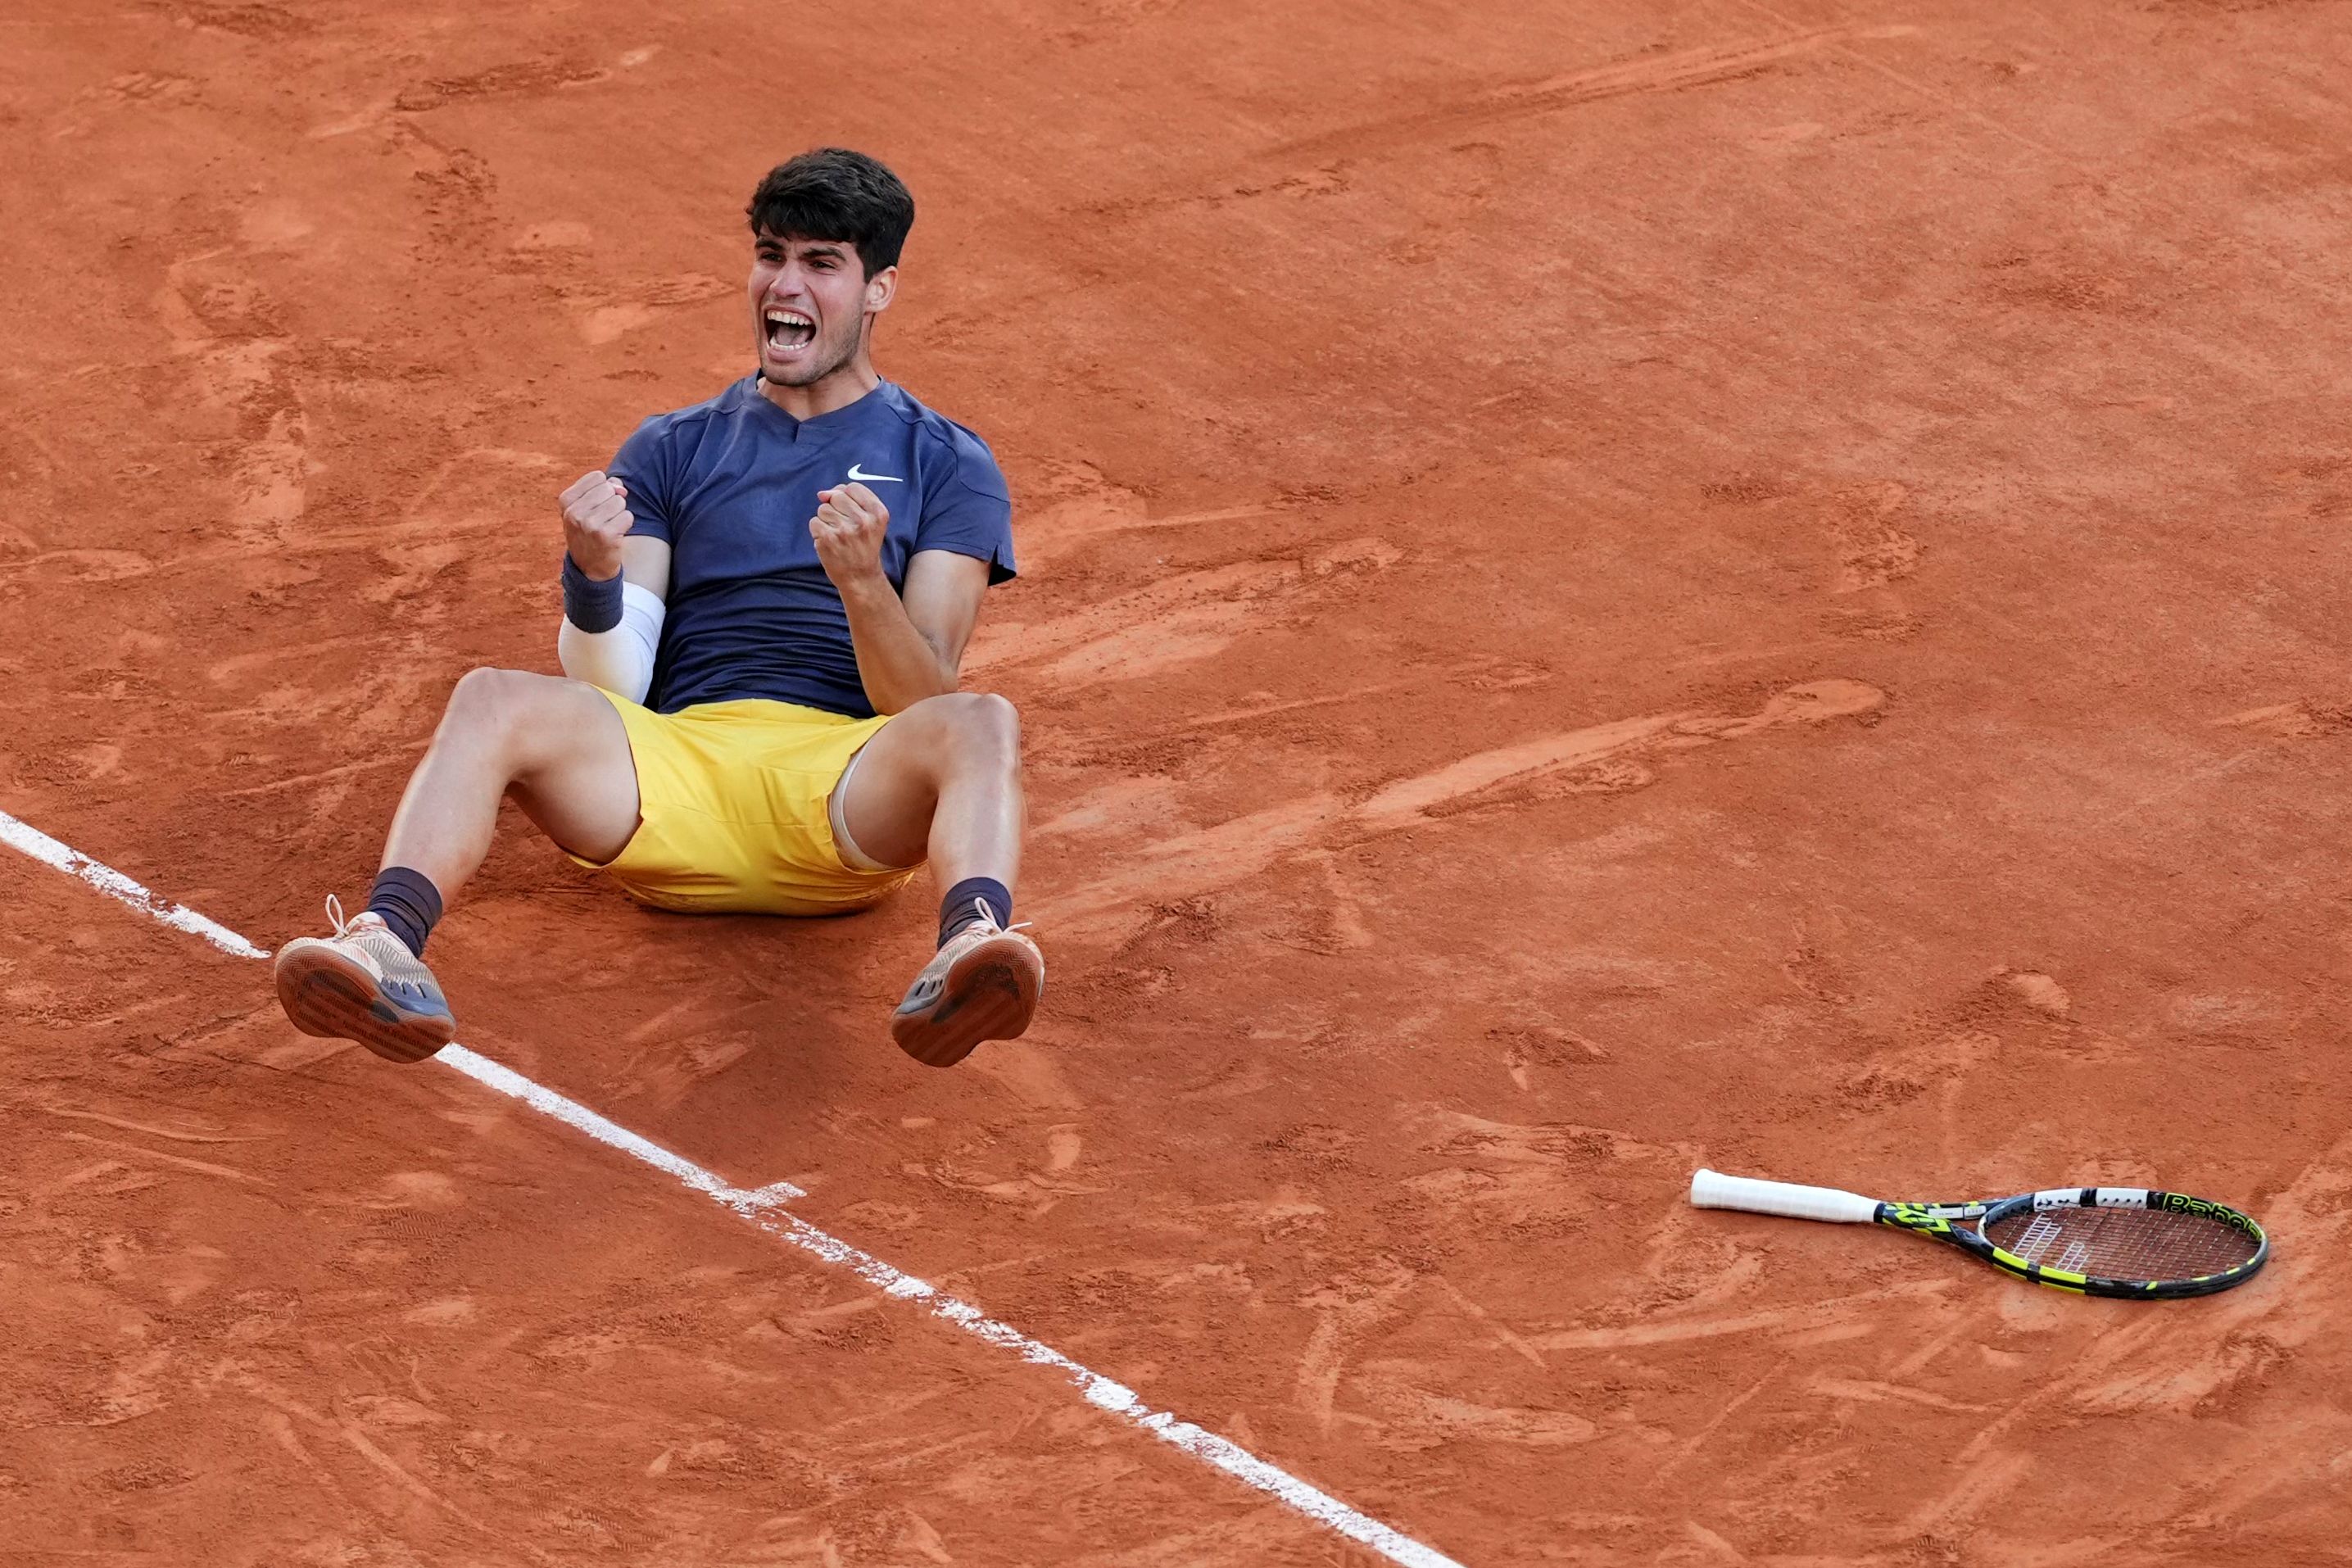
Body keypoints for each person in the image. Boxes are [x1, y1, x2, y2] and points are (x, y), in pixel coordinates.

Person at [270, 147, 1041, 1071]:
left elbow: (921, 704)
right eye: (771, 254)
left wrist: (862, 584)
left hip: (842, 796)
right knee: (488, 696)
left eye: (821, 263)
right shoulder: (672, 447)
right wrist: (593, 577)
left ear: (878, 291)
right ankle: (386, 944)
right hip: (669, 783)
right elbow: (616, 680)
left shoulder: (947, 461)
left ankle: (970, 947)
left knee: (982, 722)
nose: (784, 284)